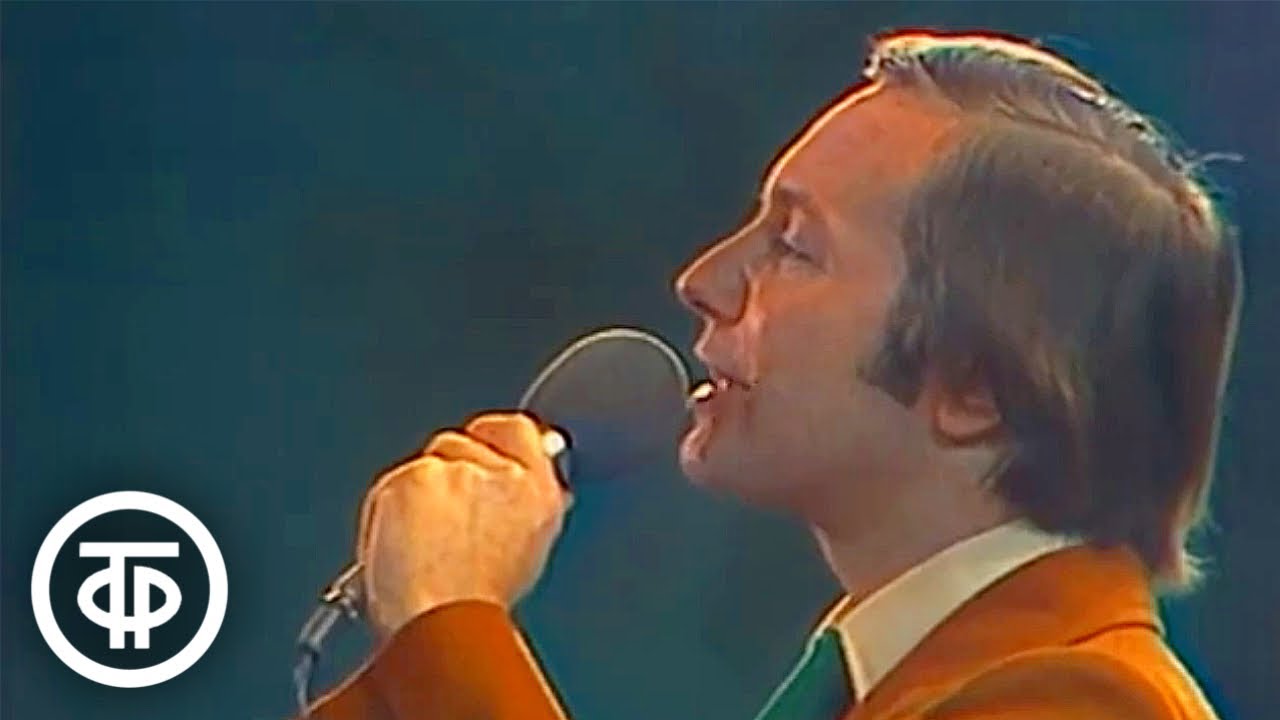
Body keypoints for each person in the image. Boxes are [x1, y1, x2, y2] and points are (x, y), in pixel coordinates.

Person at [303, 30, 1240, 720]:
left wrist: (450, 624)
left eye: (792, 246)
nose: (703, 281)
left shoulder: (1085, 702)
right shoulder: (911, 677)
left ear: (972, 389)